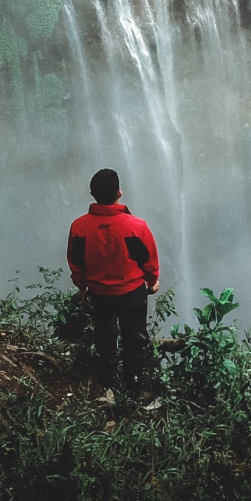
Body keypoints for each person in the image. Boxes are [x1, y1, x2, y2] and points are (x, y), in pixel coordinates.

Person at [67, 168, 160, 394]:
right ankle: (133, 385)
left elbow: (76, 261)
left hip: (100, 294)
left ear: (92, 194)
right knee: (134, 338)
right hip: (131, 293)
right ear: (120, 192)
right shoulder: (135, 226)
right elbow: (148, 258)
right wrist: (152, 281)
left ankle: (107, 381)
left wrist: (82, 287)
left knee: (104, 335)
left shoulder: (79, 227)